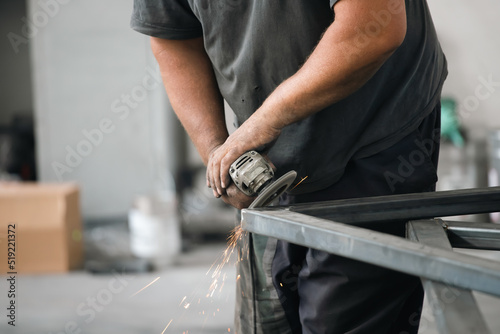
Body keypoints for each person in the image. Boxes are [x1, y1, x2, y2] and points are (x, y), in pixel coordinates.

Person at [131, 0, 447, 333]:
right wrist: (216, 150)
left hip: (374, 136)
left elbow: (374, 28)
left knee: (342, 318)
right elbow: (174, 39)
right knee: (269, 316)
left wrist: (266, 121)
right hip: (267, 149)